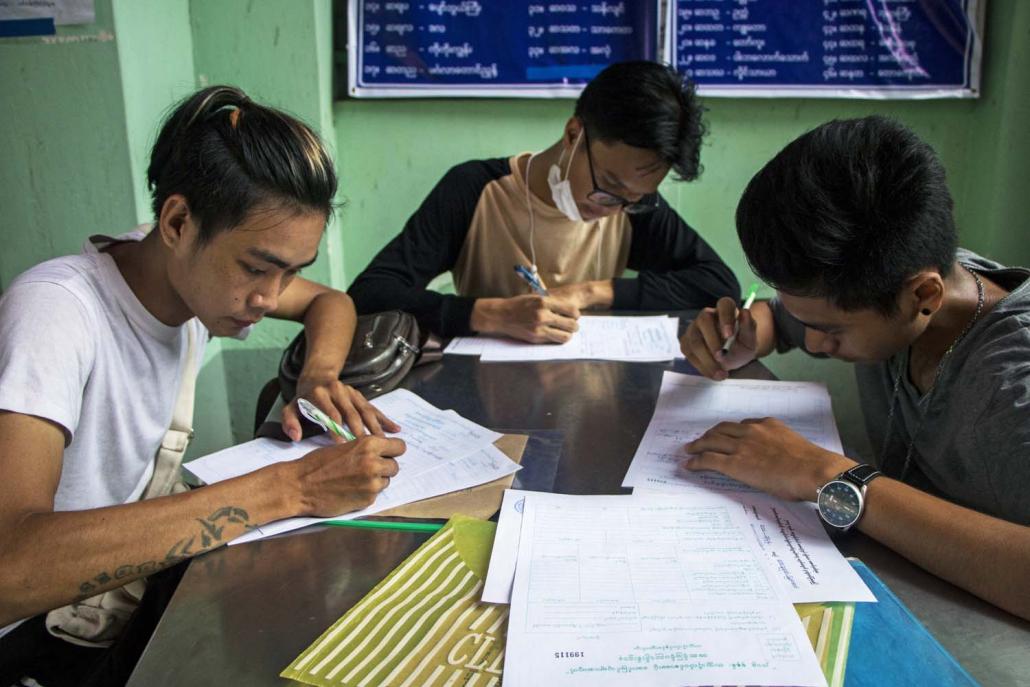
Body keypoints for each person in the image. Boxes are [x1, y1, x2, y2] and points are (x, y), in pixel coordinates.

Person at [0, 86, 406, 685]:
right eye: (256, 267)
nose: (269, 299)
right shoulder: (57, 312)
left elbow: (331, 302)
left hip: (108, 610)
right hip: (31, 645)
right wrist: (293, 488)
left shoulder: (181, 275)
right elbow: (12, 567)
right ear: (178, 221)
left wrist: (317, 377)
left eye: (289, 271)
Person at [680, 116, 1030, 620]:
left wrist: (831, 477)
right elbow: (794, 320)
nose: (816, 342)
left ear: (923, 296)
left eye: (831, 332)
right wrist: (753, 330)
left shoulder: (1011, 389)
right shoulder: (897, 281)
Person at [348, 61, 739, 343]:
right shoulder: (477, 190)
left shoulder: (632, 207)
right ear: (573, 134)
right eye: (608, 185)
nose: (609, 209)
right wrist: (487, 313)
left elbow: (718, 285)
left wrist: (593, 293)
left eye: (633, 199)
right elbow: (369, 294)